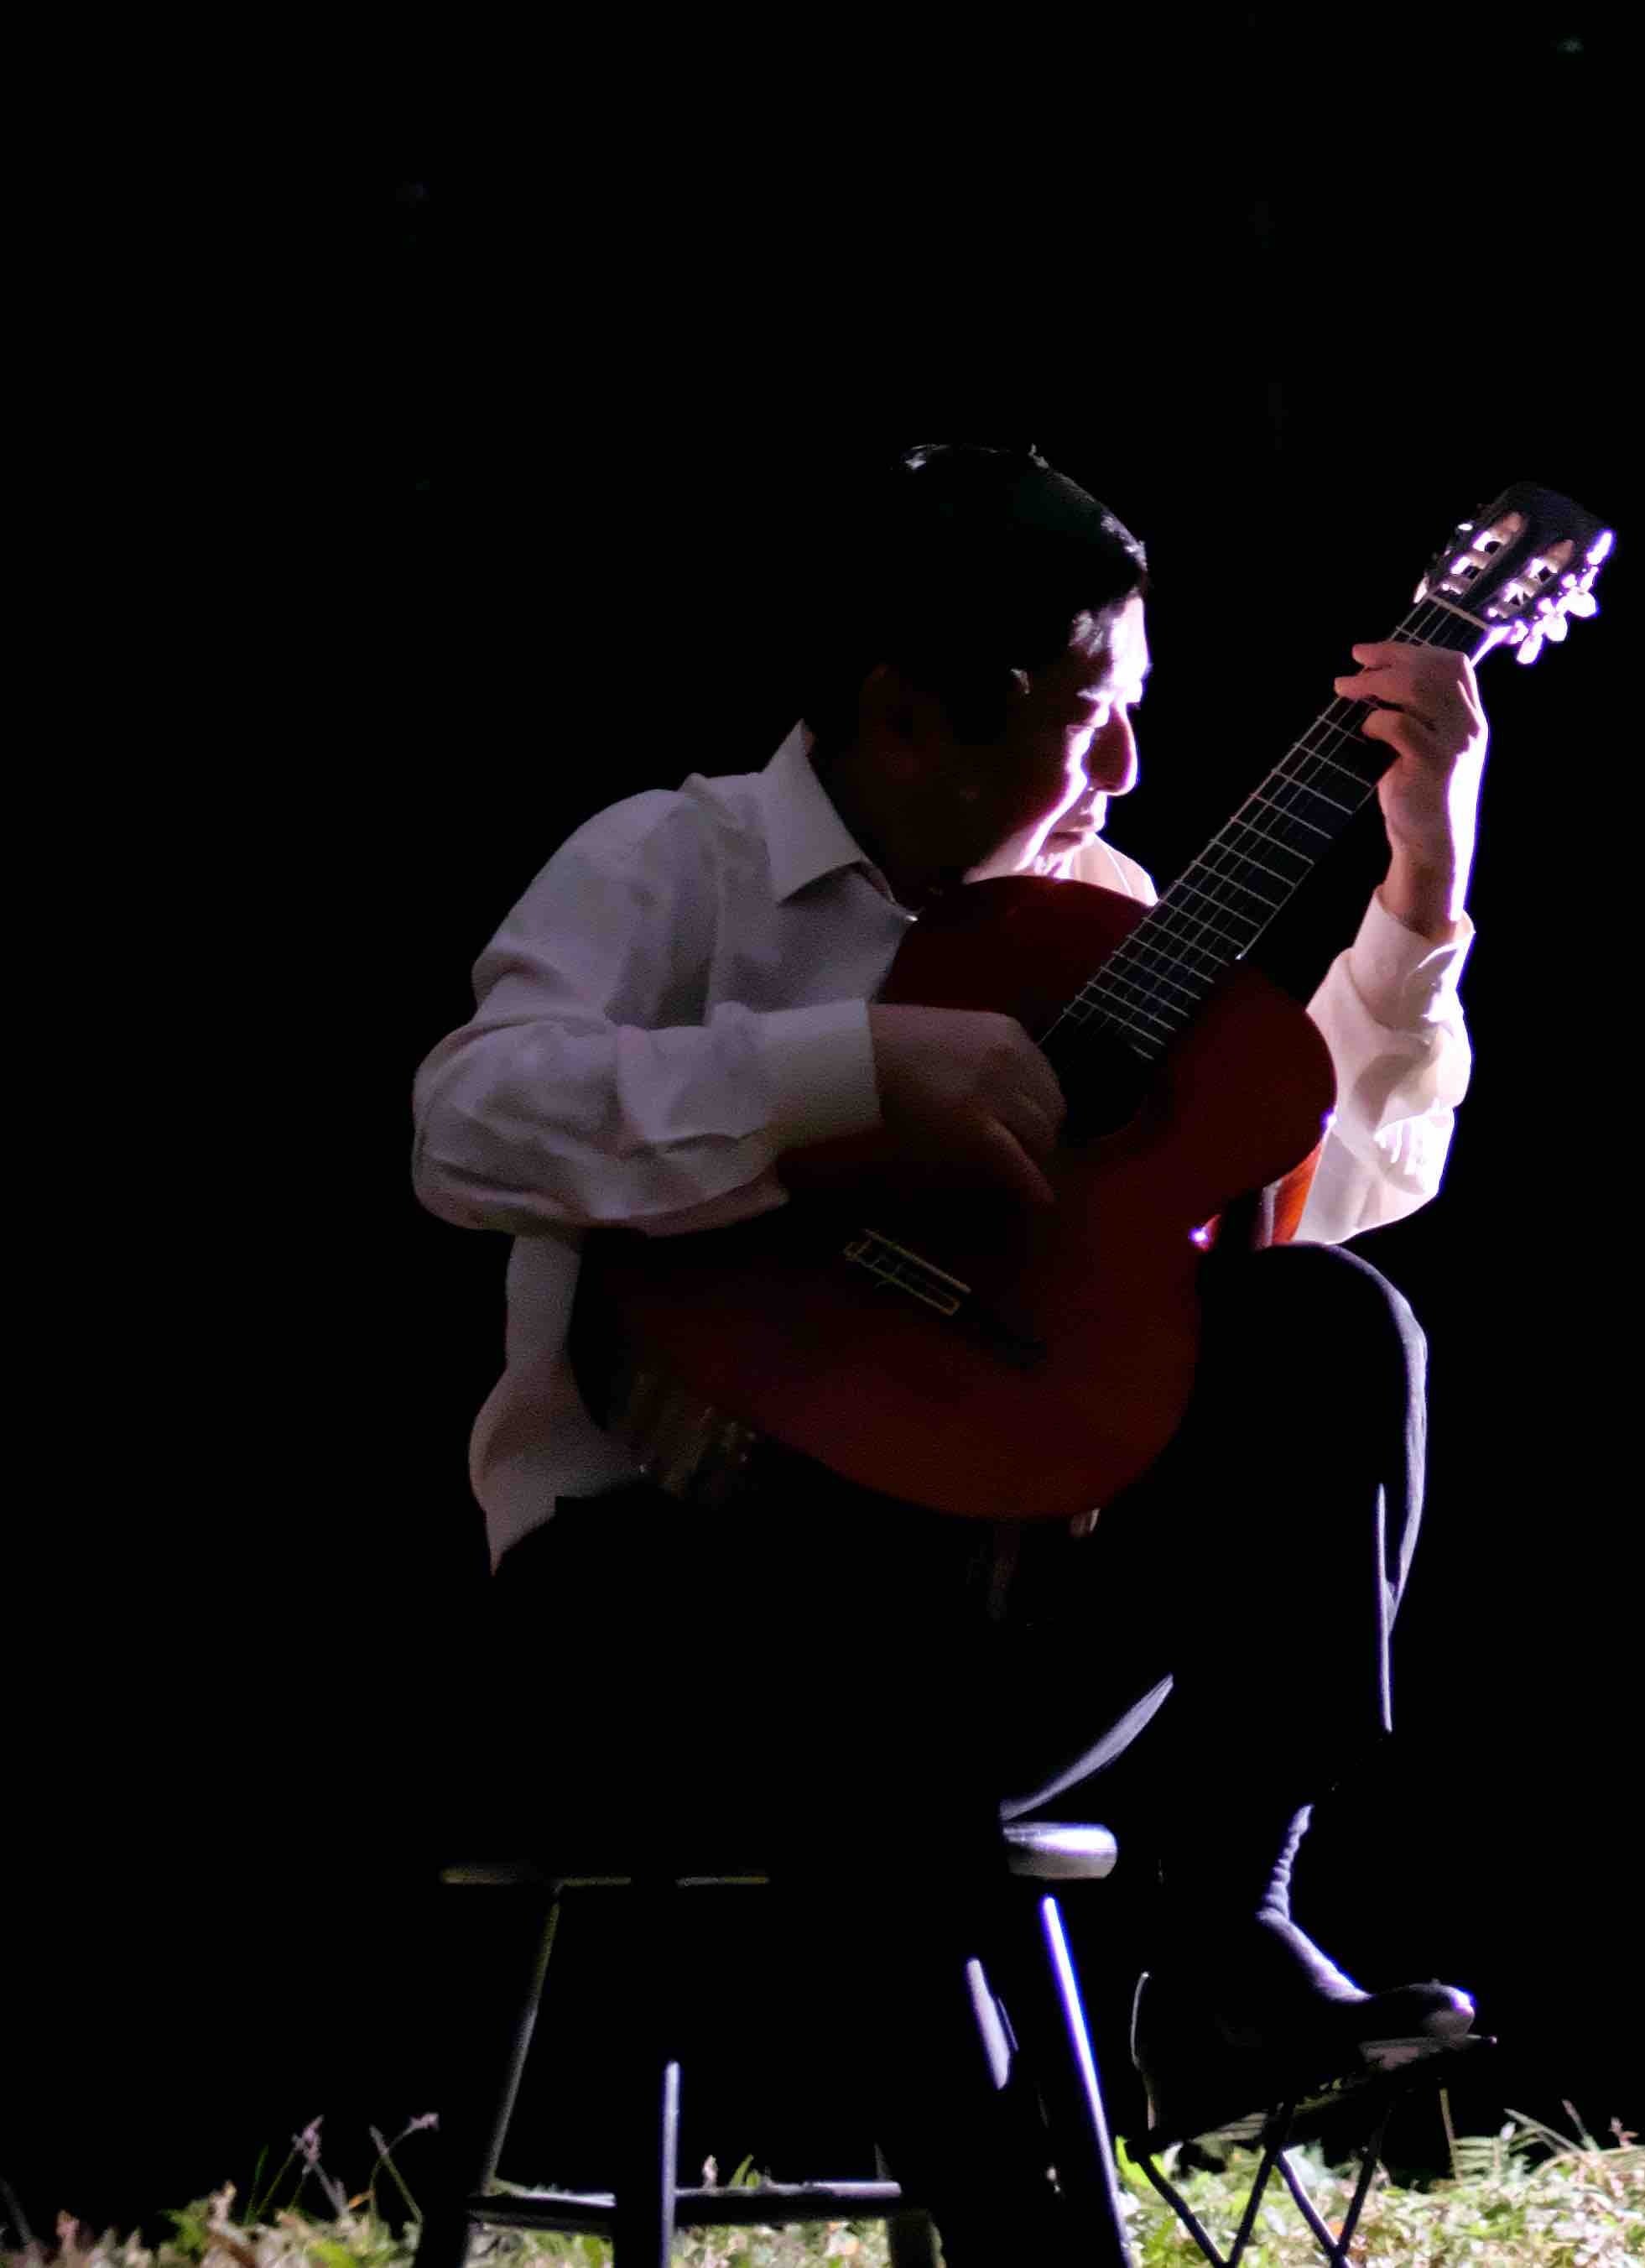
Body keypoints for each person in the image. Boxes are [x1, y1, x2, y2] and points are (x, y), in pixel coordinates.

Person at [413, 441, 1490, 2255]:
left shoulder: (1098, 917)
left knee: (1326, 1324)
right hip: (663, 1620)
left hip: (998, 1619)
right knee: (845, 1677)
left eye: (1137, 709)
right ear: (906, 714)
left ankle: (1233, 1924)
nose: (1125, 766)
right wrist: (848, 1070)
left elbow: (1314, 1202)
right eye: (1085, 715)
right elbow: (468, 1125)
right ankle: (1013, 2215)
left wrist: (1422, 892)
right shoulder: (672, 862)